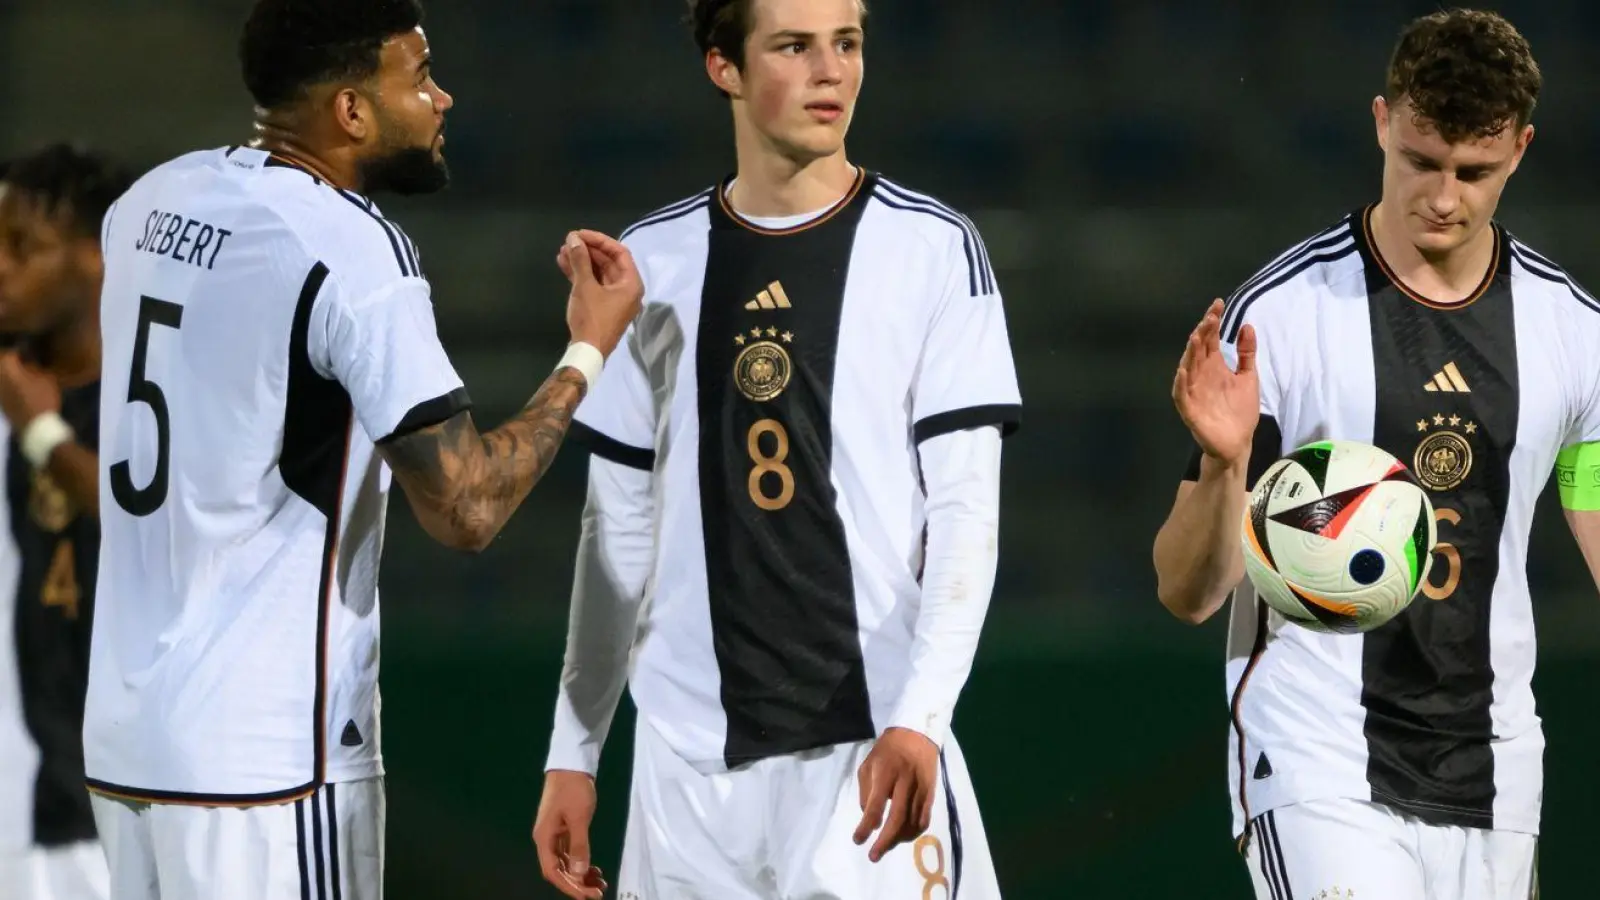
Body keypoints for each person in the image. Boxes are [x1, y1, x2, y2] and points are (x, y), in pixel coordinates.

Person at [81, 1, 643, 898]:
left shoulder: (151, 200)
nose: (443, 98)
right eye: (418, 78)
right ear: (351, 110)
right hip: (267, 763)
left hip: (124, 740)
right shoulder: (351, 250)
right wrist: (587, 350)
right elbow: (467, 508)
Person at [531, 0, 1020, 897]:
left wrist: (921, 718)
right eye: (794, 47)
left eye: (847, 43)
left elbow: (965, 516)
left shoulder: (935, 250)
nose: (831, 71)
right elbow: (617, 531)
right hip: (684, 775)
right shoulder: (652, 262)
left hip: (865, 754)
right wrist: (576, 750)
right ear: (725, 67)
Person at [1152, 9, 1600, 899]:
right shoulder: (1280, 319)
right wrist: (1223, 464)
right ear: (1382, 122)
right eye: (1422, 161)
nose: (1444, 196)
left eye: (1475, 172)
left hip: (1498, 770)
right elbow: (1187, 593)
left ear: (1520, 149)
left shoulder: (1575, 335)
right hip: (1320, 753)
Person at [0, 143, 129, 900]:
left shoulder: (156, 399)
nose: (2, 268)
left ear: (96, 258)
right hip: (29, 810)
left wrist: (44, 437)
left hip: (146, 803)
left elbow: (168, 536)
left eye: (24, 248)